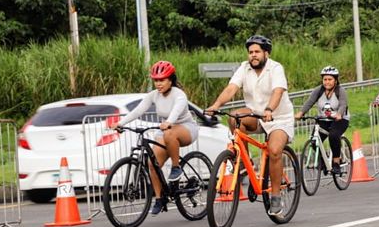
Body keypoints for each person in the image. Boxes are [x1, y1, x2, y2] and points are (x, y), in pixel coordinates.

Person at [206, 35, 294, 217]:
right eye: (250, 52)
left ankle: (276, 196)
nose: (253, 55)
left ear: (266, 53)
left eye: (257, 52)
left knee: (274, 150)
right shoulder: (244, 68)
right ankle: (245, 164)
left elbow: (278, 91)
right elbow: (231, 88)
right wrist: (216, 105)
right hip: (256, 115)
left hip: (278, 117)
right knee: (234, 118)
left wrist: (270, 108)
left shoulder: (275, 68)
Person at [117, 60, 198, 216]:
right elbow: (138, 111)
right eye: (156, 80)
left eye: (162, 80)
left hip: (186, 128)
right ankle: (160, 199)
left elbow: (176, 111)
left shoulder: (179, 95)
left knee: (169, 133)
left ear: (170, 80)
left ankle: (176, 167)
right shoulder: (153, 95)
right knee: (152, 163)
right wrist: (120, 123)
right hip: (166, 130)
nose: (158, 84)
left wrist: (169, 122)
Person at [295, 66, 350, 175]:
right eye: (325, 79)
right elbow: (309, 102)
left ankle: (336, 163)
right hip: (324, 119)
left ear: (335, 80)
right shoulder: (318, 90)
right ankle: (324, 162)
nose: (327, 82)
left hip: (340, 119)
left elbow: (343, 104)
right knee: (314, 140)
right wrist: (301, 113)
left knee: (333, 136)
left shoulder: (340, 91)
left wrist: (339, 114)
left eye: (330, 79)